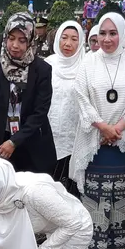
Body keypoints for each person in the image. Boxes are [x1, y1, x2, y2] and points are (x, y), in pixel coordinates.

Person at [0, 12, 56, 249]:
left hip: (34, 145)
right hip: (1, 144)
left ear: (31, 40)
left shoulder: (42, 69)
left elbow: (40, 113)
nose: (16, 45)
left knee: (32, 200)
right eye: (11, 38)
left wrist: (14, 141)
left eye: (22, 39)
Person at [71, 12, 125, 249]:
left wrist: (118, 128)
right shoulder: (88, 62)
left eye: (113, 33)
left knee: (122, 190)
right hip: (95, 137)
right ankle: (96, 242)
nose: (107, 39)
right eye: (102, 33)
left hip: (122, 138)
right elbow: (81, 96)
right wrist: (102, 127)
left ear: (122, 34)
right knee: (96, 191)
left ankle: (121, 241)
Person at [45, 20, 86, 196]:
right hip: (47, 137)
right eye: (64, 38)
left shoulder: (86, 66)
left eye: (74, 39)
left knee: (71, 190)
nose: (68, 43)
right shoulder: (47, 65)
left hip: (75, 138)